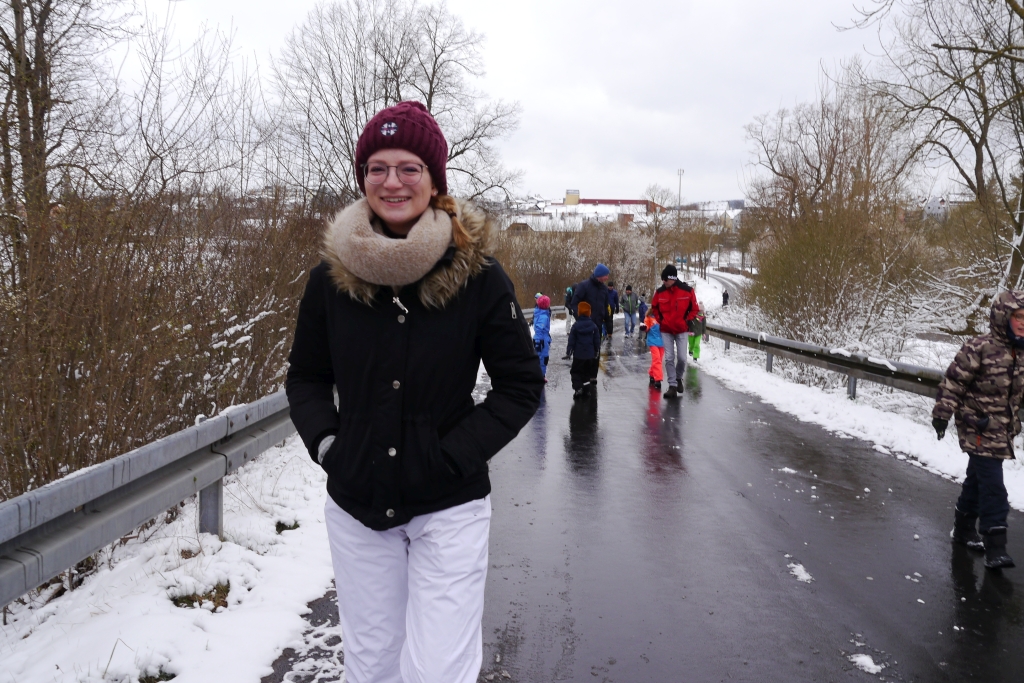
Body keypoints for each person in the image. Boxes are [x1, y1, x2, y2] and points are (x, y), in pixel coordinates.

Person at [286, 100, 544, 683]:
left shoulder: (478, 275)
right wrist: (329, 446)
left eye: (409, 168)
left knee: (438, 670)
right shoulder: (330, 278)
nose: (393, 182)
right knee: (372, 665)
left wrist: (453, 456)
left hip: (449, 505)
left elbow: (520, 384)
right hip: (357, 503)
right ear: (363, 177)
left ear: (434, 180)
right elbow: (306, 377)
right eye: (378, 167)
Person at [932, 290, 1024, 570]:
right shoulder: (979, 347)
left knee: (977, 479)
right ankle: (996, 547)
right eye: (1018, 316)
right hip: (978, 426)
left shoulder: (1021, 352)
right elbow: (953, 382)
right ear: (1003, 316)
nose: (1023, 322)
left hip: (1003, 429)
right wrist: (942, 414)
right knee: (993, 485)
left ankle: (962, 529)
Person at [650, 264, 697, 399]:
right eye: (662, 279)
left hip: (681, 330)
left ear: (672, 278)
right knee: (669, 358)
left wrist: (687, 320)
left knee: (682, 358)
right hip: (666, 330)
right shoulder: (660, 292)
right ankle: (672, 386)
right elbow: (654, 307)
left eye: (665, 279)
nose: (663, 282)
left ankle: (678, 378)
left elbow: (694, 309)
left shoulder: (687, 291)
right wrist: (661, 320)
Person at [566, 301, 602, 398]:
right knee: (587, 373)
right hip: (590, 355)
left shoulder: (576, 326)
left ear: (579, 312)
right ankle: (586, 390)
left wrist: (569, 351)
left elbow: (571, 340)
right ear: (589, 313)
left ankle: (578, 388)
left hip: (578, 355)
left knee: (575, 372)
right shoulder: (593, 326)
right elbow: (596, 340)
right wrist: (596, 350)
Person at [571, 264, 611, 340]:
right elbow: (574, 303)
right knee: (585, 346)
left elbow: (605, 306)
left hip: (598, 326)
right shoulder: (584, 286)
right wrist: (579, 318)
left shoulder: (604, 289)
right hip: (584, 326)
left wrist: (608, 324)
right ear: (600, 275)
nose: (607, 278)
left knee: (597, 346)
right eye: (606, 275)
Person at [533, 295, 552, 380]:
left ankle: (540, 375)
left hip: (542, 339)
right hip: (541, 340)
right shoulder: (543, 316)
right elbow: (539, 328)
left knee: (540, 358)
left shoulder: (540, 313)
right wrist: (539, 341)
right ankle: (540, 376)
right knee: (543, 358)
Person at [644, 314, 664, 389]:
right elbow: (646, 326)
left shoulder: (664, 315)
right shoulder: (649, 317)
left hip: (662, 342)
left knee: (659, 359)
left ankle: (652, 373)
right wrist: (645, 327)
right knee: (657, 359)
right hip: (652, 341)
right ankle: (658, 379)